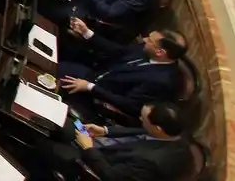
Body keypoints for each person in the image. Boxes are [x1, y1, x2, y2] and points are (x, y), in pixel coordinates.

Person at [58, 21, 185, 119]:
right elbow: (119, 51)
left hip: (99, 99)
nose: (145, 39)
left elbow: (128, 104)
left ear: (160, 52)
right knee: (52, 65)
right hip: (94, 77)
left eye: (150, 41)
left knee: (52, 82)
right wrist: (87, 32)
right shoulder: (148, 50)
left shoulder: (161, 81)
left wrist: (90, 87)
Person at [40, 102, 192, 181]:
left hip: (95, 162)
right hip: (102, 143)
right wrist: (105, 131)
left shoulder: (152, 163)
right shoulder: (172, 133)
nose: (140, 120)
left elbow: (110, 176)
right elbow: (139, 132)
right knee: (62, 122)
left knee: (44, 144)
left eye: (143, 119)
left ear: (158, 128)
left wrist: (88, 148)